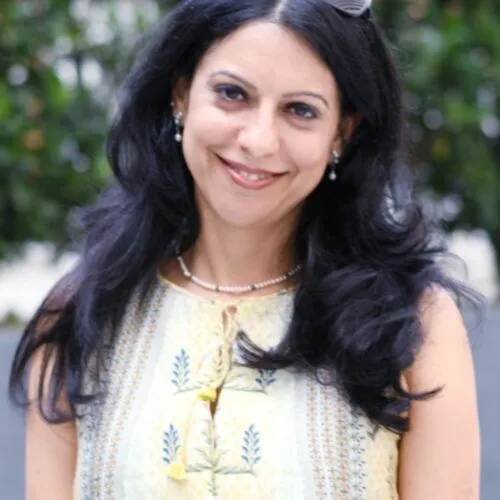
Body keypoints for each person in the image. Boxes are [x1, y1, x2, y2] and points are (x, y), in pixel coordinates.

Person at [10, 0, 481, 498]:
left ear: (342, 132)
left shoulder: (415, 325)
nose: (258, 141)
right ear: (180, 94)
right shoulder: (79, 316)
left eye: (300, 110)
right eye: (232, 94)